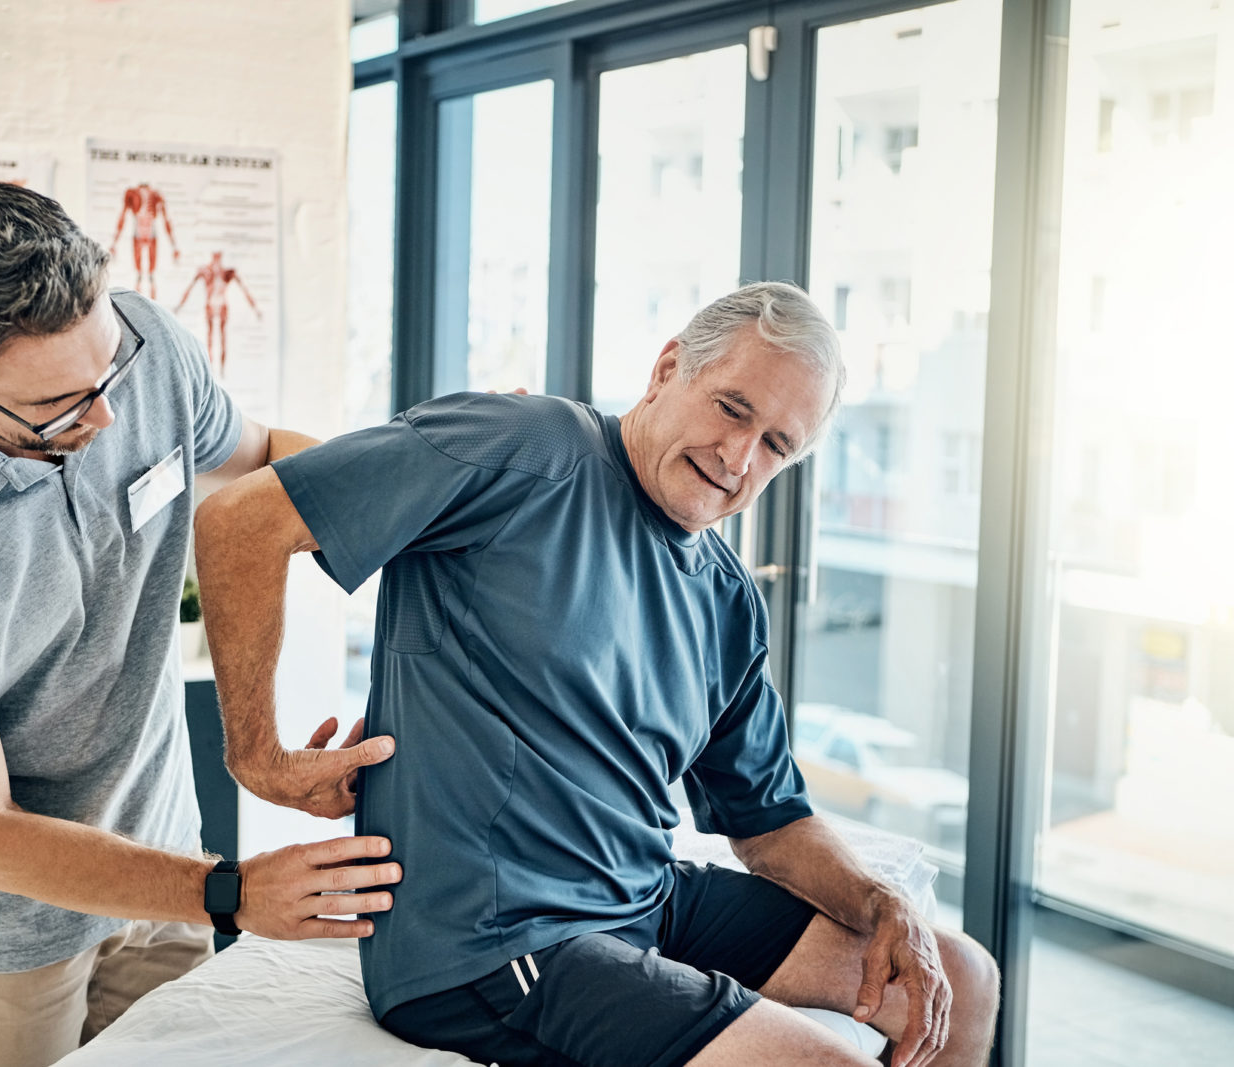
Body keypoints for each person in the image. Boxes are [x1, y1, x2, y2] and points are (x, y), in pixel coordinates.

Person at [194, 282, 1000, 1067]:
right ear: (666, 369)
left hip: (643, 896)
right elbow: (242, 520)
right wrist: (258, 756)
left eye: (776, 446)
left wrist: (881, 903)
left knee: (963, 979)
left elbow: (770, 822)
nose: (738, 456)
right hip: (491, 937)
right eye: (732, 408)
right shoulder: (519, 442)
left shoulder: (724, 594)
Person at [0, 182, 398, 1067]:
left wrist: (425, 502)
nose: (111, 416)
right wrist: (230, 891)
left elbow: (267, 461)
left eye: (108, 370)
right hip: (7, 930)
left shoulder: (141, 349)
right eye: (60, 406)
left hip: (166, 865)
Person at [176, 250, 261, 377]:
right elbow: (190, 288)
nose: (216, 259)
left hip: (221, 306)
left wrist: (255, 308)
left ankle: (222, 372)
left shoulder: (227, 273)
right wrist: (179, 306)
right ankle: (211, 372)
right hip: (210, 305)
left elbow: (244, 289)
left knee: (222, 338)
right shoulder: (205, 272)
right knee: (210, 338)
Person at [110, 180, 180, 299]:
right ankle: (139, 298)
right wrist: (114, 243)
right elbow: (123, 215)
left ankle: (152, 301)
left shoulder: (157, 195)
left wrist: (174, 246)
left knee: (150, 273)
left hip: (150, 233)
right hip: (139, 232)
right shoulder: (132, 193)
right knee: (140, 274)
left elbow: (165, 219)